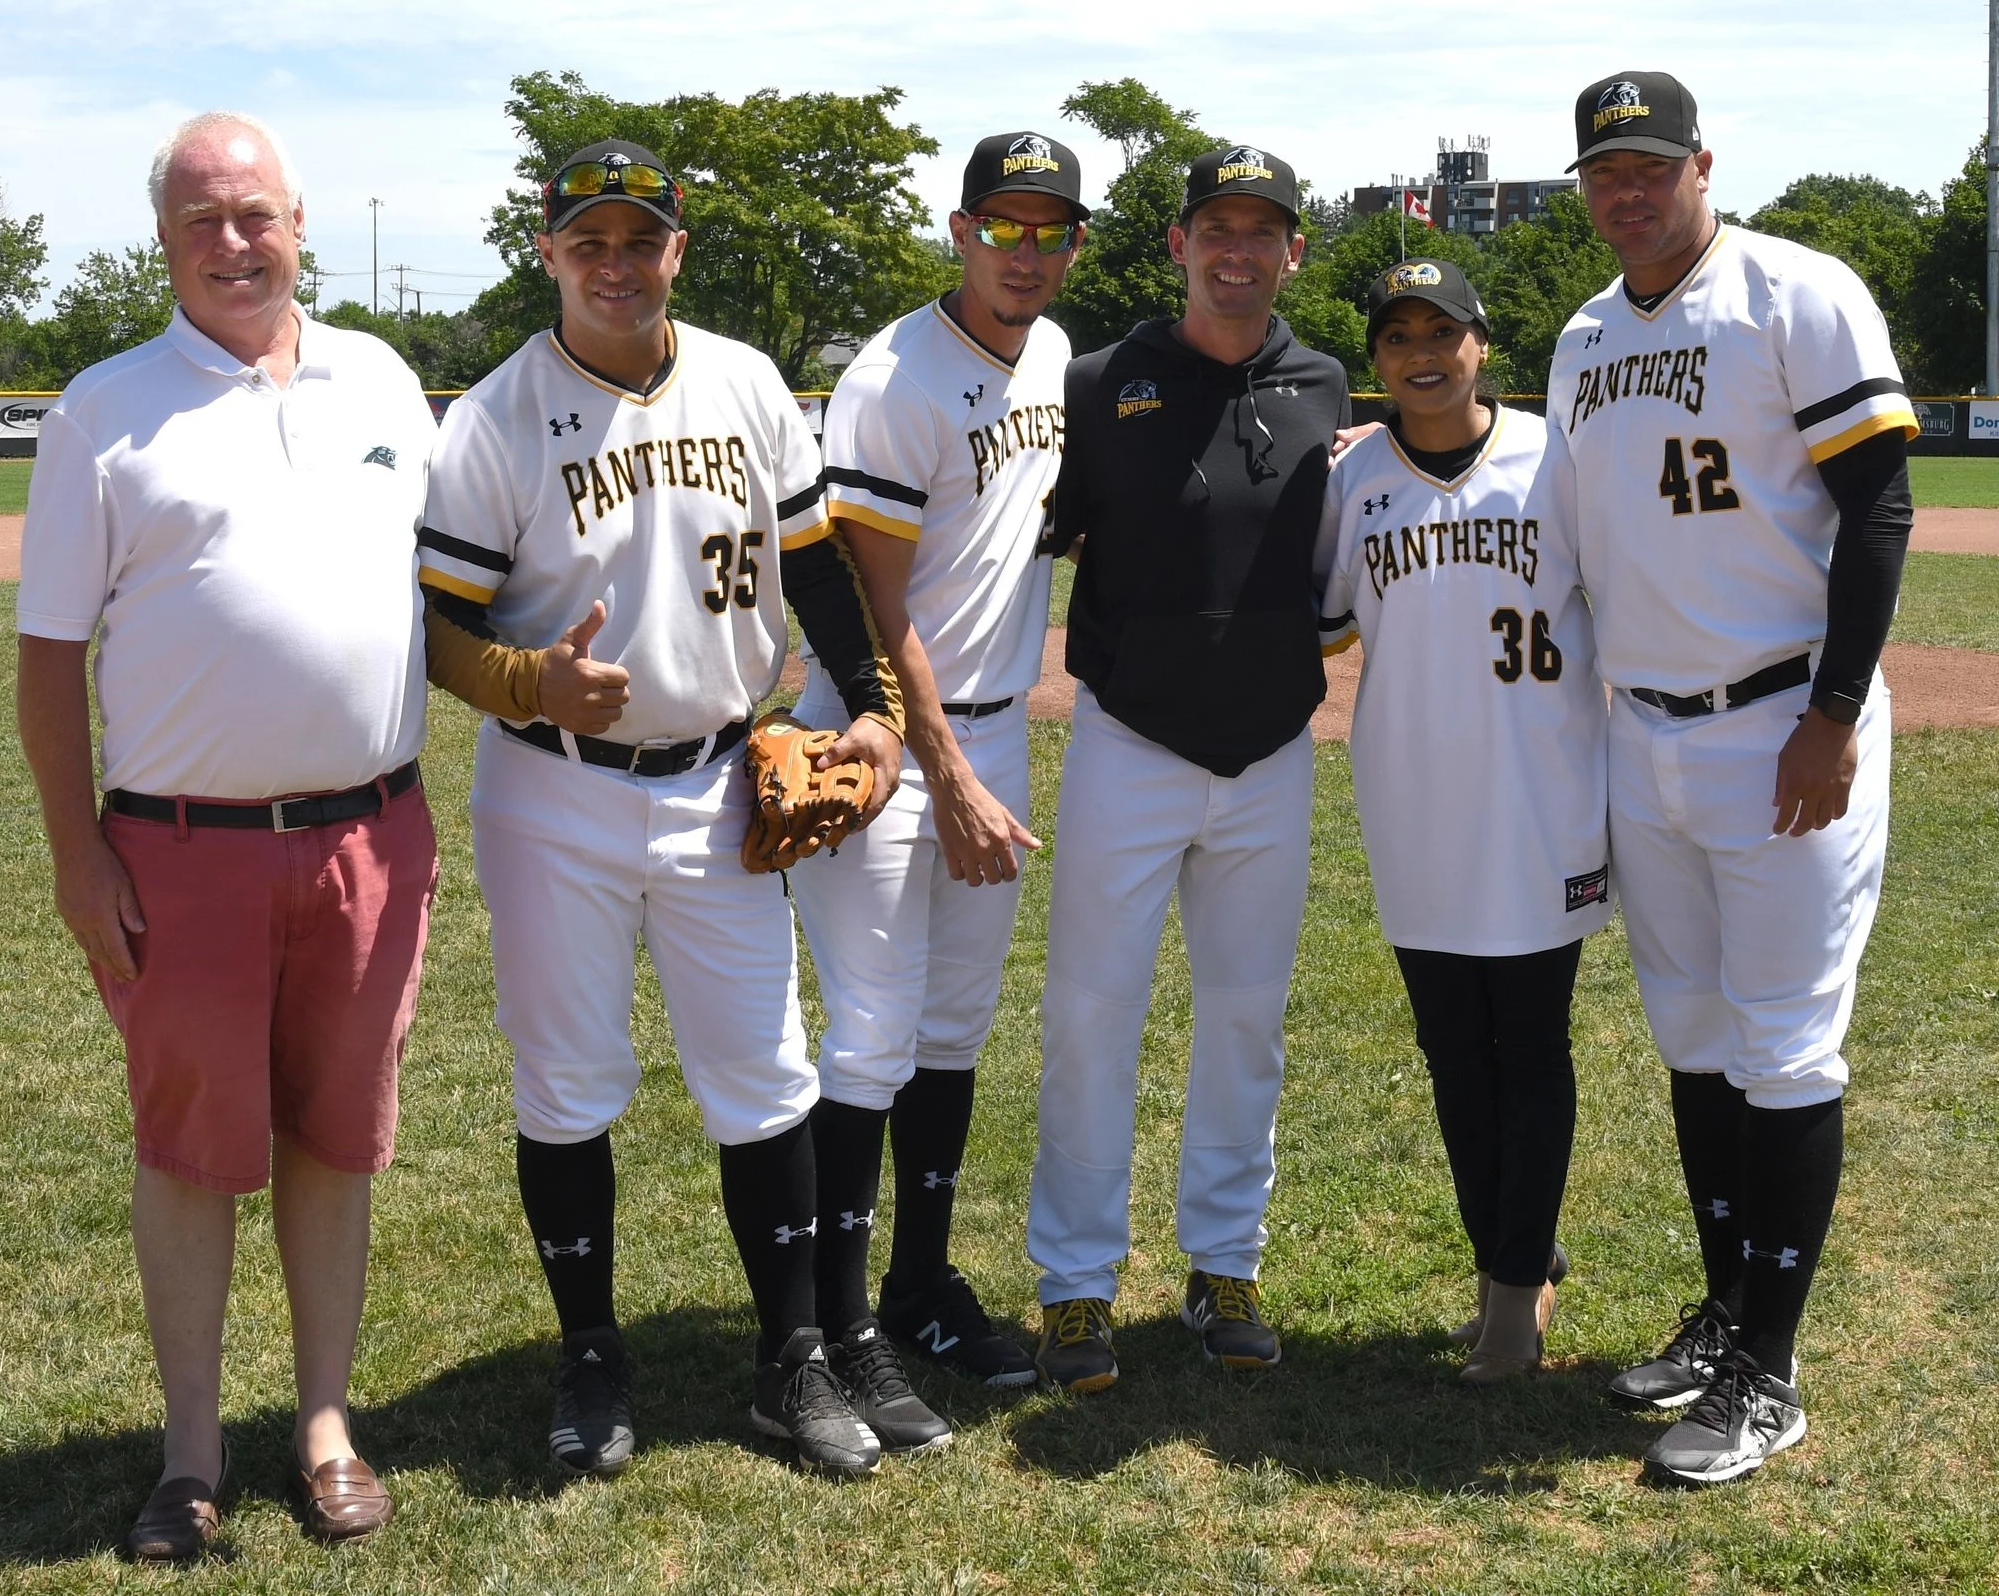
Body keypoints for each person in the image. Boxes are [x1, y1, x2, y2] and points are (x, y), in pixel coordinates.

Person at [414, 141, 906, 1479]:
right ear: (548, 252)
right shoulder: (497, 417)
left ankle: (790, 1363)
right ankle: (590, 1357)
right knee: (567, 1082)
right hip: (550, 792)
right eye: (590, 240)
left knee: (766, 1077)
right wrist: (529, 678)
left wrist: (872, 704)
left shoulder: (747, 381)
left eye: (640, 239)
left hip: (722, 779)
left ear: (677, 250)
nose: (616, 264)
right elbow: (440, 623)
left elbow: (812, 569)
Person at [16, 111, 438, 1559]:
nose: (233, 240)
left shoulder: (382, 379)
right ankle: (192, 1453)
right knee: (191, 1151)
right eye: (201, 219)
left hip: (372, 834)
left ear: (300, 223)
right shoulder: (103, 408)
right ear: (164, 242)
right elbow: (47, 657)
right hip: (180, 847)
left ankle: (323, 1425)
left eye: (254, 212)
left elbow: (442, 594)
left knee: (338, 1137)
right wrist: (79, 857)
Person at [1537, 72, 1916, 1483]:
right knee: (1693, 1037)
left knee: (1784, 1045)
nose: (1628, 192)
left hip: (1781, 727)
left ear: (1703, 165)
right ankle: (1724, 1311)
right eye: (1603, 173)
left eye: (1650, 166)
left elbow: (1879, 501)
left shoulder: (1796, 292)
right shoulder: (1582, 338)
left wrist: (1830, 710)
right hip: (1648, 731)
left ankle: (1772, 1367)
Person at [1024, 144, 1351, 1392]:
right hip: (1128, 740)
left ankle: (1225, 1263)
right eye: (1214, 226)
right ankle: (1074, 1286)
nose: (1237, 249)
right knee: (1091, 1019)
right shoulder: (1102, 381)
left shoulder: (1322, 382)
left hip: (1271, 752)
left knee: (1245, 1022)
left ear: (1291, 253)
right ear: (1176, 245)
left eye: (1261, 230)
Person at [785, 132, 1086, 1428]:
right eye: (1002, 227)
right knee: (871, 1031)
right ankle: (839, 1326)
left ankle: (916, 1283)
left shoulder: (1058, 356)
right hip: (884, 739)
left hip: (988, 736)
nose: (1025, 253)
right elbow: (872, 594)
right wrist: (947, 772)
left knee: (952, 1032)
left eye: (1049, 230)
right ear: (959, 230)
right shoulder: (894, 377)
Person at [1316, 259, 1608, 1382]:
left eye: (1443, 331)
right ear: (1377, 358)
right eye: (1396, 337)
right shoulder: (1355, 481)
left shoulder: (1555, 457)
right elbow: (1324, 622)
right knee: (1451, 1051)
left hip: (1542, 801)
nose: (1420, 353)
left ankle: (1508, 1292)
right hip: (1412, 804)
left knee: (1529, 1046)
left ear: (1484, 342)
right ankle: (1513, 1257)